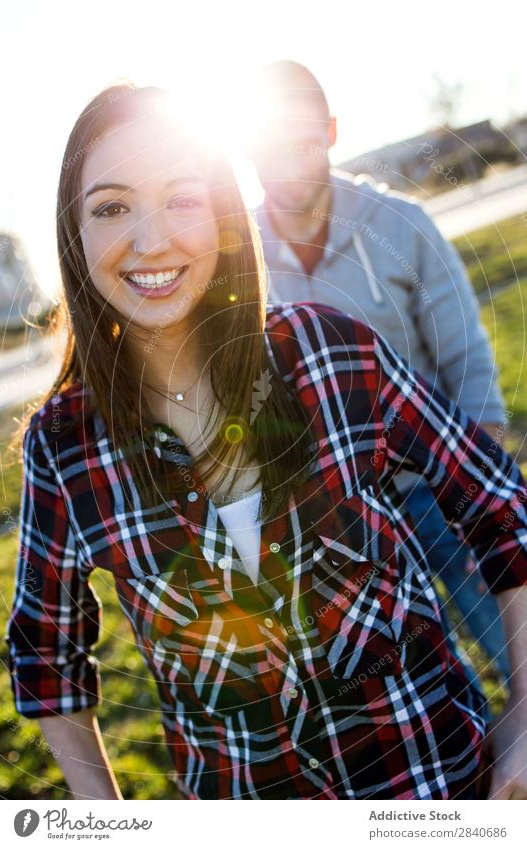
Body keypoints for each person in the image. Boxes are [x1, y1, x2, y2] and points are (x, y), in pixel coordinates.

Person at [5, 84, 527, 801]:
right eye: (112, 206)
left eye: (182, 199)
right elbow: (46, 654)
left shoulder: (329, 351)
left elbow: (501, 506)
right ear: (76, 232)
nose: (150, 239)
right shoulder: (62, 447)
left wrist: (523, 711)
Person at [246, 60, 511, 684]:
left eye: (302, 141)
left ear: (331, 132)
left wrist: (477, 500)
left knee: (508, 639)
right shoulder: (237, 260)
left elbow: (466, 362)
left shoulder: (402, 226)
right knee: (422, 691)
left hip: (432, 485)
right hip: (331, 522)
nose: (286, 163)